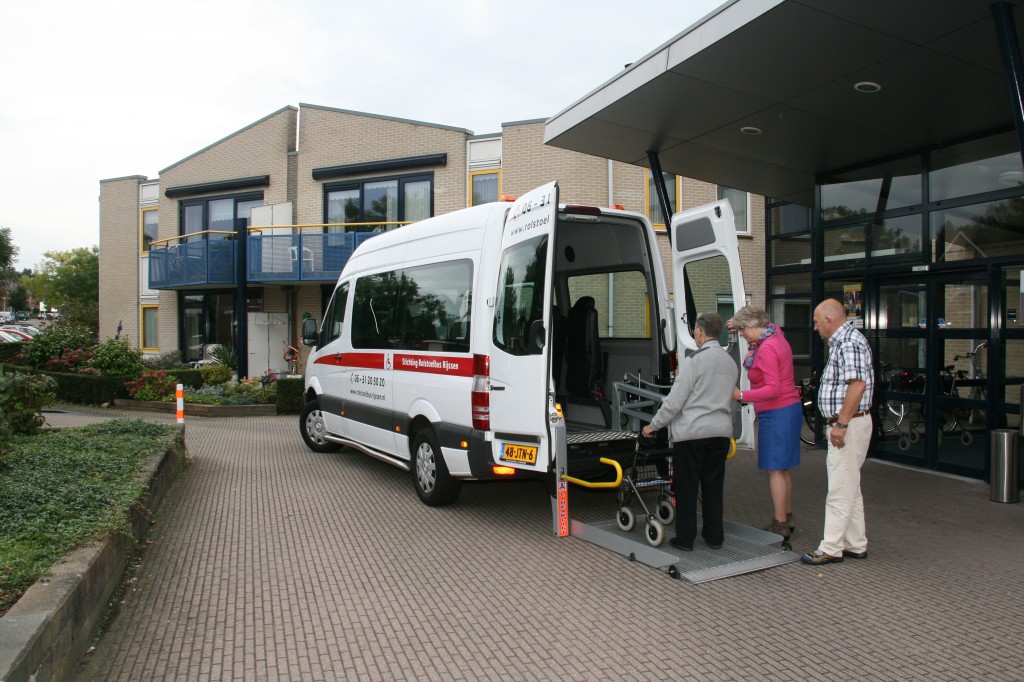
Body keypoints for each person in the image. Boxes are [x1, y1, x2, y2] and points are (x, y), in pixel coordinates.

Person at [642, 312, 737, 551]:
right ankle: (715, 537)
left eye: (695, 329)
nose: (694, 333)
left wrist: (653, 426)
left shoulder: (694, 361)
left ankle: (685, 539)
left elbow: (674, 402)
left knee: (686, 487)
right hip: (720, 434)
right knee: (713, 487)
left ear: (701, 332)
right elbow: (732, 400)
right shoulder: (729, 362)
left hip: (693, 434)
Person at [801, 298, 875, 566]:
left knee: (839, 489)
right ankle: (856, 544)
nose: (815, 327)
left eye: (817, 322)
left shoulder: (849, 342)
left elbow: (857, 385)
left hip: (849, 424)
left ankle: (831, 547)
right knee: (850, 486)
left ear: (829, 320)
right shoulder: (845, 342)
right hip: (851, 422)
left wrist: (841, 424)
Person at [728, 306, 801, 541]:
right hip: (788, 410)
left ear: (752, 325)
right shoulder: (775, 335)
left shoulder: (767, 348)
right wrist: (737, 322)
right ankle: (786, 517)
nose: (741, 334)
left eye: (742, 330)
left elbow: (773, 389)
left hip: (776, 412)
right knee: (783, 468)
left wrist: (742, 396)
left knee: (774, 470)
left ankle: (779, 524)